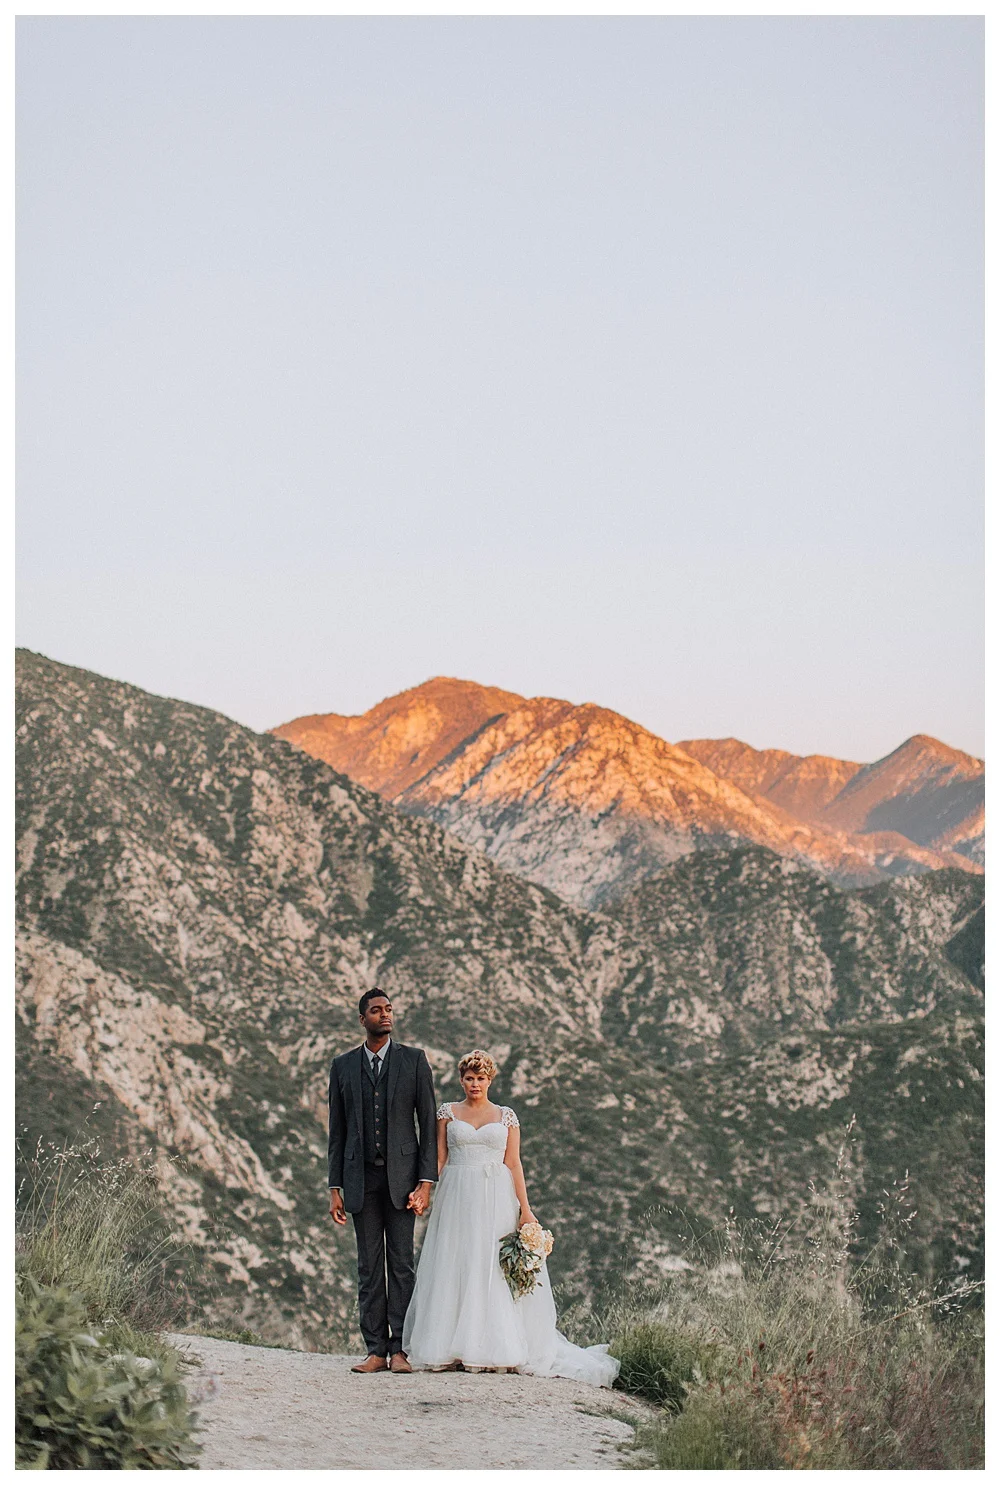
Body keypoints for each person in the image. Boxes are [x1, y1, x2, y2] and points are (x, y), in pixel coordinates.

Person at [402, 1049, 619, 1386]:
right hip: (457, 1194)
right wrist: (423, 1189)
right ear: (461, 1079)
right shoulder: (447, 1112)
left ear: (490, 1080)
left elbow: (514, 1163)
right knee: (456, 1262)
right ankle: (448, 1346)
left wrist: (526, 1210)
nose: (475, 1084)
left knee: (490, 1266)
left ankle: (493, 1347)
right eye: (470, 1078)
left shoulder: (506, 1116)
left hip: (496, 1197)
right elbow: (439, 1159)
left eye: (481, 1078)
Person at [327, 989, 437, 1373]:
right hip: (360, 1180)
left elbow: (427, 1124)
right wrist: (334, 1187)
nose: (385, 1015)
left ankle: (401, 1349)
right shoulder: (342, 1066)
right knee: (368, 1266)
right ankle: (375, 1349)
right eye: (376, 1010)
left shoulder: (414, 1061)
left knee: (402, 1263)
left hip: (403, 1182)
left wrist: (425, 1183)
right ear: (363, 1019)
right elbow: (336, 1132)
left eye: (389, 1009)